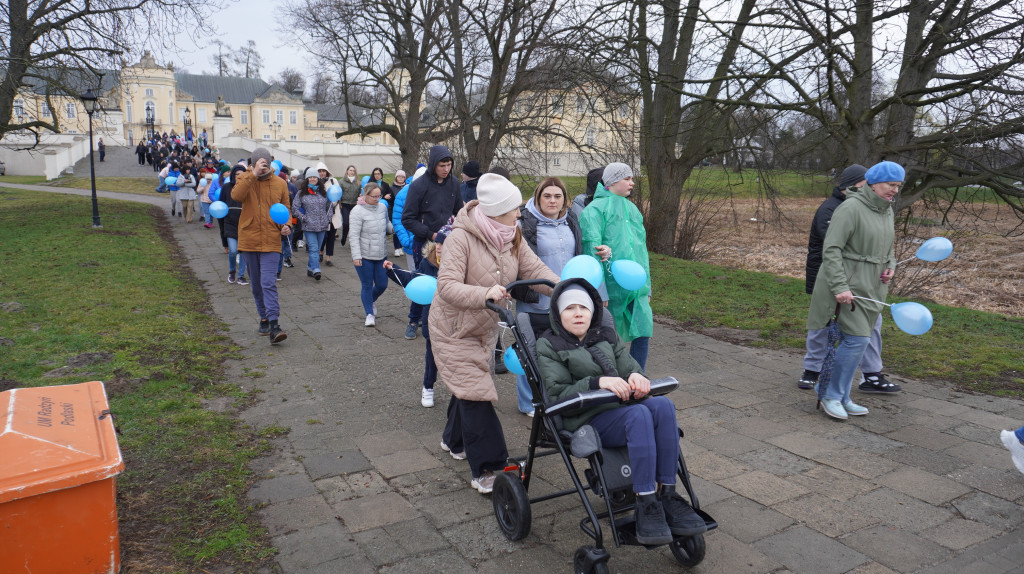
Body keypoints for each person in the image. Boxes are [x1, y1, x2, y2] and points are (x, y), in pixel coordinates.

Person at [536, 279, 707, 545]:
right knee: (638, 416)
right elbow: (557, 393)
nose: (578, 313)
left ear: (593, 311)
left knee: (662, 405)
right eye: (570, 308)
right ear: (558, 314)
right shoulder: (550, 345)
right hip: (586, 416)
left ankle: (669, 495)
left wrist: (638, 377)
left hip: (619, 407)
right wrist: (598, 382)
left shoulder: (605, 334)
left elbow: (629, 366)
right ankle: (646, 501)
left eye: (584, 307)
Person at [432, 173, 560, 494]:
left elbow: (533, 270)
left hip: (484, 328)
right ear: (496, 211)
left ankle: (453, 439)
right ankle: (488, 468)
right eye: (514, 208)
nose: (520, 213)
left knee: (467, 387)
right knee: (476, 392)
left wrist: (563, 288)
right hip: (454, 329)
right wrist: (484, 293)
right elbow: (446, 287)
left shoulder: (512, 234)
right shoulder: (460, 238)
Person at [808, 161, 903, 420]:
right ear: (873, 183)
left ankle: (841, 395)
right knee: (857, 339)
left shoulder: (886, 211)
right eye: (890, 185)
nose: (894, 190)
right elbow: (831, 249)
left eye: (898, 186)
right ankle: (829, 393)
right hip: (845, 286)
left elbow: (889, 248)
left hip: (872, 287)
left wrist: (890, 266)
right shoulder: (850, 208)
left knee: (859, 342)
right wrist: (839, 286)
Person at [514, 176, 609, 416]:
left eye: (557, 196)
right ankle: (528, 402)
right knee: (529, 352)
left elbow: (583, 254)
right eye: (547, 196)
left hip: (566, 301)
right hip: (536, 300)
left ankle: (557, 397)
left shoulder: (572, 221)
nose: (552, 201)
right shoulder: (524, 224)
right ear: (537, 198)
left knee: (559, 353)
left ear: (565, 200)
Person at [579, 162, 654, 370]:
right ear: (612, 182)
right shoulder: (594, 211)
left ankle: (638, 376)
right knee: (610, 337)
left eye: (632, 178)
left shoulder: (633, 209)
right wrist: (599, 290)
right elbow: (591, 250)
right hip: (610, 289)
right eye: (627, 179)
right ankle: (613, 380)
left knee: (643, 330)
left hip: (636, 286)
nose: (632, 183)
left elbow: (641, 250)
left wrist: (646, 284)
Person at [383, 221, 452, 408]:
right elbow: (413, 280)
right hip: (433, 318)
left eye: (443, 243)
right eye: (437, 243)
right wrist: (393, 270)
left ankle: (459, 392)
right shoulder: (427, 262)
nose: (438, 247)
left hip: (455, 320)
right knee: (431, 355)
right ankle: (428, 387)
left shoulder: (461, 266)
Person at [402, 145, 464, 340]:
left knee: (447, 283)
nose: (446, 169)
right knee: (423, 282)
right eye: (442, 165)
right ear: (432, 165)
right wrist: (431, 234)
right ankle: (414, 320)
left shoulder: (454, 183)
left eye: (449, 165)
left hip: (449, 242)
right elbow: (407, 219)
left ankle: (444, 321)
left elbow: (459, 213)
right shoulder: (418, 185)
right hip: (424, 242)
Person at [231, 147, 292, 344]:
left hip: (272, 239)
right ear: (254, 163)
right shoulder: (244, 178)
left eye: (266, 164)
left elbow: (286, 209)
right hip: (249, 239)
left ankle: (274, 325)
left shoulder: (280, 183)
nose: (264, 168)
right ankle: (263, 318)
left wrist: (287, 225)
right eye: (260, 164)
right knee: (256, 285)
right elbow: (236, 196)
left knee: (268, 282)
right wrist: (253, 175)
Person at [349, 182, 393, 325]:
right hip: (364, 255)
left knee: (382, 284)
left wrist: (395, 228)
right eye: (374, 196)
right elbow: (353, 236)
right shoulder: (357, 211)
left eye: (379, 196)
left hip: (381, 253)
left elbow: (387, 224)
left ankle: (371, 299)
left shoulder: (382, 207)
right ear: (365, 195)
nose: (377, 199)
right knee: (367, 284)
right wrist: (356, 256)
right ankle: (369, 314)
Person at [292, 167, 333, 281]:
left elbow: (329, 207)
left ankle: (310, 267)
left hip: (322, 226)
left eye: (315, 177)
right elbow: (295, 208)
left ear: (318, 178)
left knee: (318, 247)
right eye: (310, 177)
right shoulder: (301, 193)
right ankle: (316, 269)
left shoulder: (323, 192)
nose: (313, 179)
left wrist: (328, 218)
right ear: (307, 179)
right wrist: (303, 218)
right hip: (309, 226)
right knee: (314, 249)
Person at [220, 165, 249, 286]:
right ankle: (232, 271)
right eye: (237, 174)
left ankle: (241, 275)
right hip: (230, 223)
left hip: (244, 225)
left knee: (243, 251)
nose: (240, 177)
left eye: (242, 174)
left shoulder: (248, 188)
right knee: (233, 251)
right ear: (233, 175)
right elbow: (221, 205)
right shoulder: (226, 187)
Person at [315, 162, 341, 266]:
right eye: (320, 171)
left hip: (333, 212)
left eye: (323, 171)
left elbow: (338, 193)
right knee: (323, 235)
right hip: (322, 213)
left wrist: (334, 202)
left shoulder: (333, 181)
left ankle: (328, 257)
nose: (322, 173)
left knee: (331, 236)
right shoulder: (316, 183)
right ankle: (320, 252)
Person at [338, 165, 361, 246]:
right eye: (350, 170)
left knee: (354, 224)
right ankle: (344, 236)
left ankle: (353, 240)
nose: (352, 172)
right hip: (345, 204)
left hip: (354, 205)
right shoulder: (341, 182)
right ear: (347, 171)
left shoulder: (358, 182)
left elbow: (359, 194)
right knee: (346, 223)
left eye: (353, 171)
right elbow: (338, 194)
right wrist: (340, 203)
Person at [389, 170, 407, 256]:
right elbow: (390, 202)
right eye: (399, 176)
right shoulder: (392, 188)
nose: (401, 178)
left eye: (403, 177)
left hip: (405, 212)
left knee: (403, 230)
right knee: (396, 230)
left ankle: (401, 247)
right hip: (395, 212)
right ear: (396, 177)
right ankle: (396, 248)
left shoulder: (407, 187)